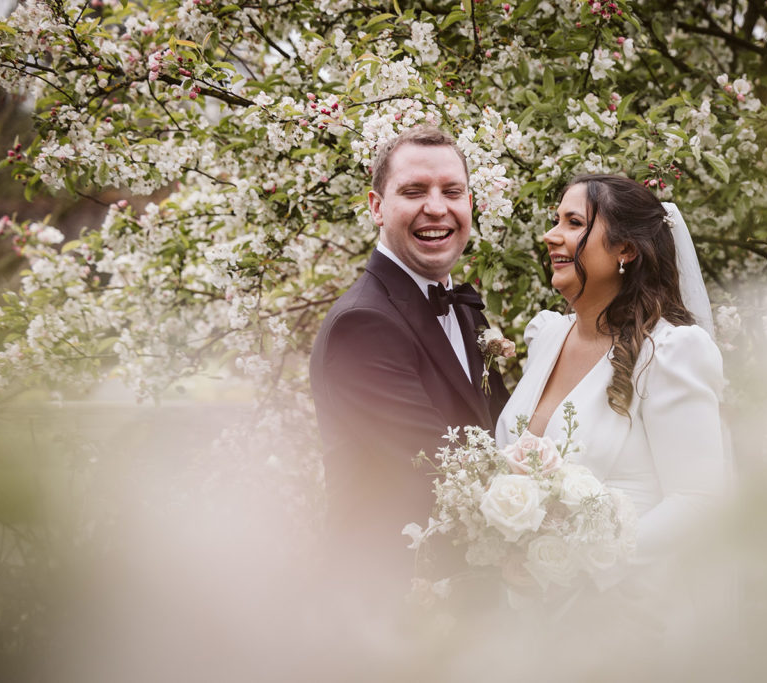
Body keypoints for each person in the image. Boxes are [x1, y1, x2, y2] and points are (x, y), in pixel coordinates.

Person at [494, 174, 728, 626]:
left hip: (625, 623)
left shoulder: (671, 353)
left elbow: (699, 499)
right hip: (530, 619)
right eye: (555, 220)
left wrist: (576, 563)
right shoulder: (547, 336)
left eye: (574, 222)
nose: (551, 235)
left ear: (626, 250)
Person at [310, 126, 510, 604]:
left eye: (452, 191)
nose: (437, 208)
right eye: (414, 191)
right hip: (394, 601)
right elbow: (443, 469)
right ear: (377, 207)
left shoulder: (463, 306)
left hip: (468, 596)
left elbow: (502, 430)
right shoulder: (363, 324)